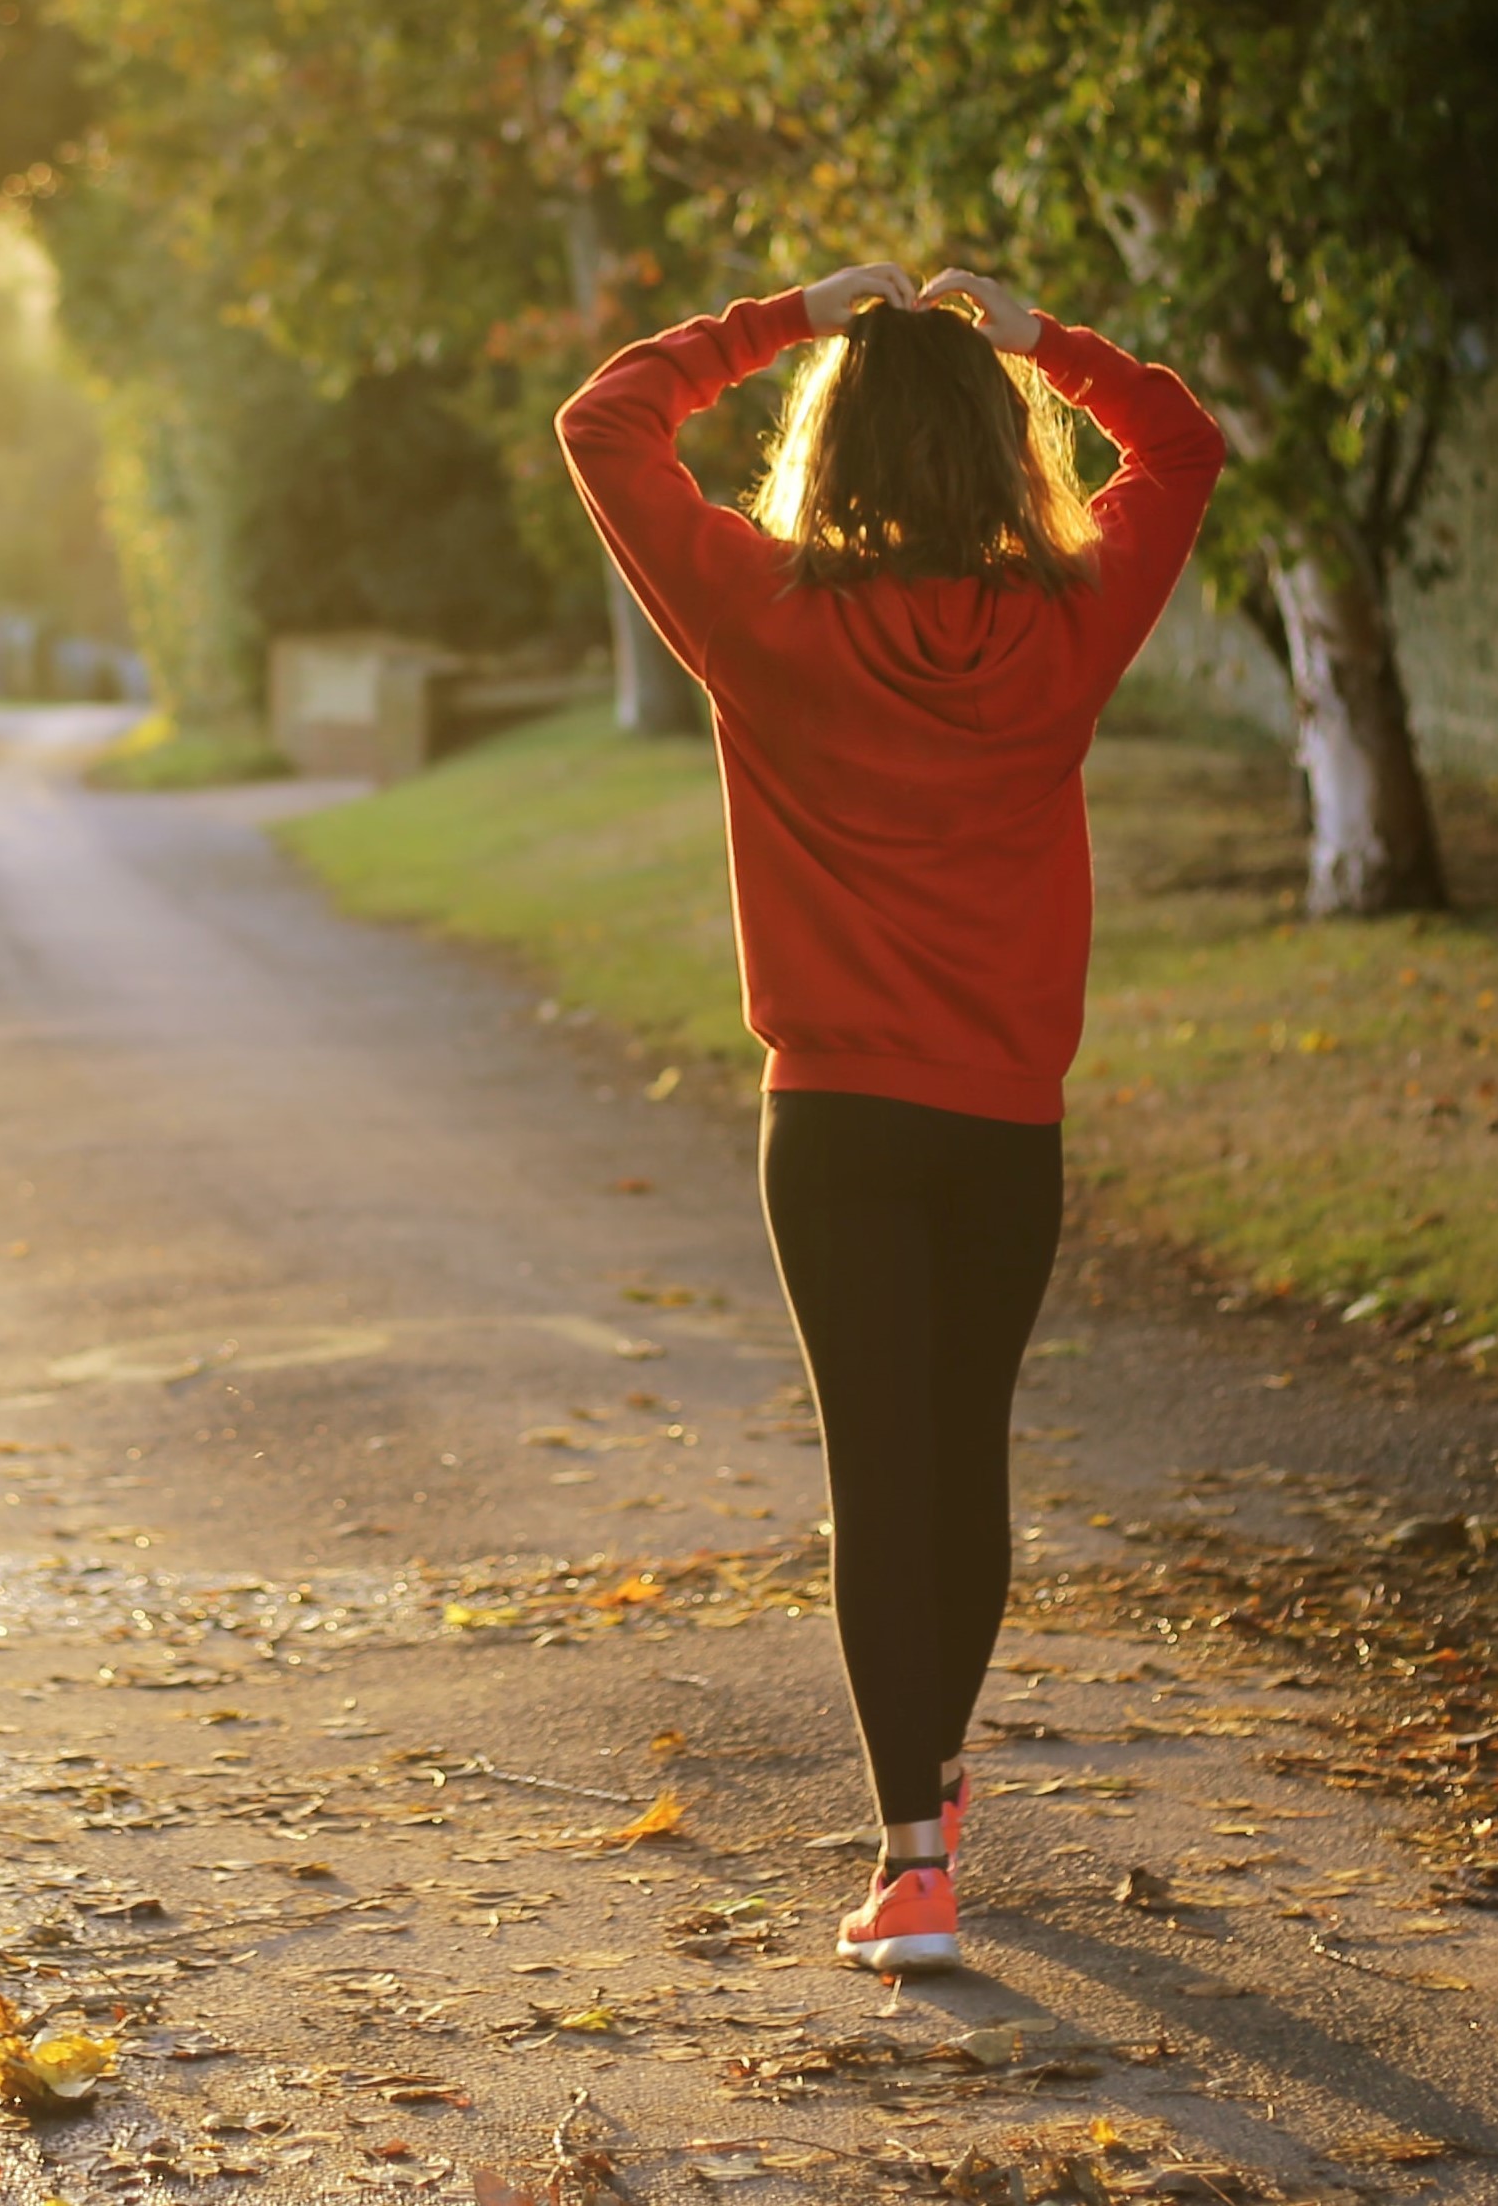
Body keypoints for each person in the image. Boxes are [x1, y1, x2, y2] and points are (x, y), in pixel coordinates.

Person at [556, 260, 1224, 1973]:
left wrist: (784, 317)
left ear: (829, 450)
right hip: (1002, 1121)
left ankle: (912, 1857)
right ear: (1004, 456)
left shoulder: (760, 612)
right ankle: (927, 1785)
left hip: (835, 1122)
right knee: (964, 1455)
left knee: (879, 1469)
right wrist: (1042, 345)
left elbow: (604, 421)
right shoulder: (1070, 619)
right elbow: (1183, 441)